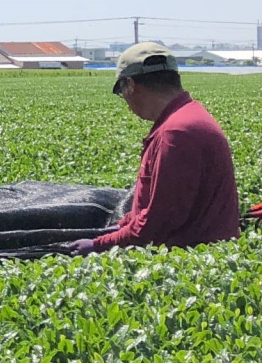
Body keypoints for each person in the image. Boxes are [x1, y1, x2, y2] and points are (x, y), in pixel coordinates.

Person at [60, 42, 239, 255]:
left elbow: (158, 224)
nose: (126, 101)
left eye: (121, 91)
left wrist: (99, 245)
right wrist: (121, 226)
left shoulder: (176, 133)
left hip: (185, 257)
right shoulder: (188, 116)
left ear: (130, 85)